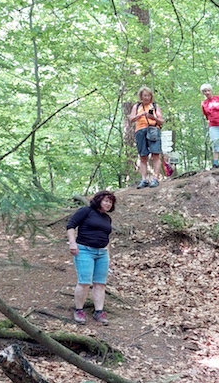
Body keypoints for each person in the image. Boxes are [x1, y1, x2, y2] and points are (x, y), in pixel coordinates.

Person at [66, 190, 116, 325]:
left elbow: (107, 238)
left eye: (110, 202)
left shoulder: (107, 218)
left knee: (100, 283)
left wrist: (108, 256)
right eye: (106, 200)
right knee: (85, 282)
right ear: (99, 200)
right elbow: (70, 226)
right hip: (84, 251)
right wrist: (72, 243)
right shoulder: (86, 211)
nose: (108, 204)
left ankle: (99, 312)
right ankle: (79, 310)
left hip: (102, 253)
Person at [127, 87, 165, 188]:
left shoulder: (155, 106)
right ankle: (144, 179)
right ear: (141, 96)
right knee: (143, 156)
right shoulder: (137, 106)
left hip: (153, 130)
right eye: (145, 95)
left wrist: (154, 117)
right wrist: (140, 115)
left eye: (149, 95)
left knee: (155, 154)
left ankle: (155, 178)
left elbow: (161, 121)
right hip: (140, 131)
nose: (147, 97)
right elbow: (131, 119)